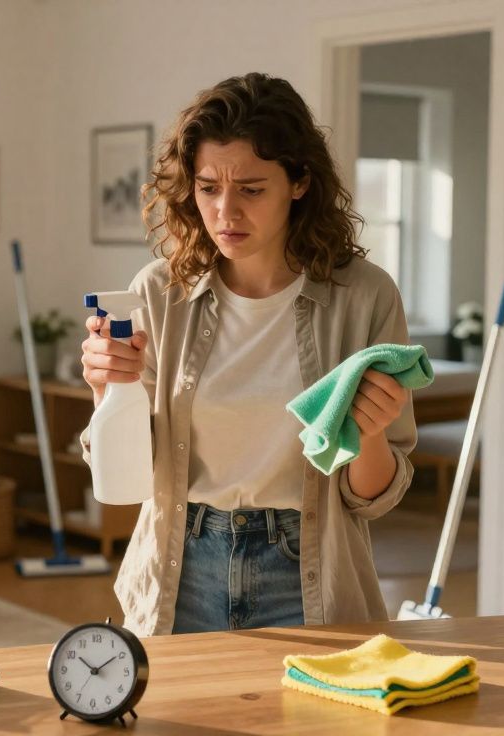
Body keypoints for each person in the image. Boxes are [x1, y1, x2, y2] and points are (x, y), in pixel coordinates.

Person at [80, 72, 417, 637]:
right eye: (208, 188)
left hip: (309, 574)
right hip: (179, 570)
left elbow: (374, 501)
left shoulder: (365, 297)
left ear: (300, 182)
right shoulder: (160, 293)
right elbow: (128, 475)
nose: (225, 212)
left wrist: (374, 431)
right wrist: (107, 390)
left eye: (252, 189)